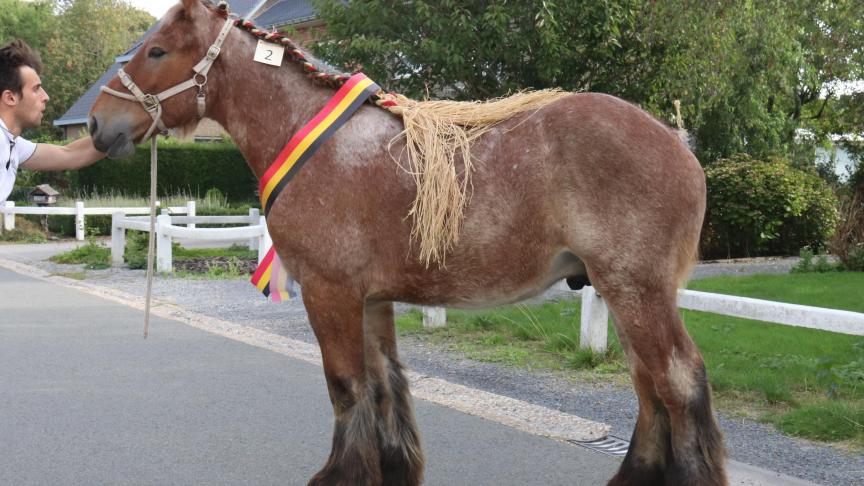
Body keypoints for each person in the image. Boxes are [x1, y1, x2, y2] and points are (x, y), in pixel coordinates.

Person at [1, 40, 105, 204]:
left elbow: (70, 155)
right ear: (10, 97)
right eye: (36, 89)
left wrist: (130, 129)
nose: (46, 97)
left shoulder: (11, 143)